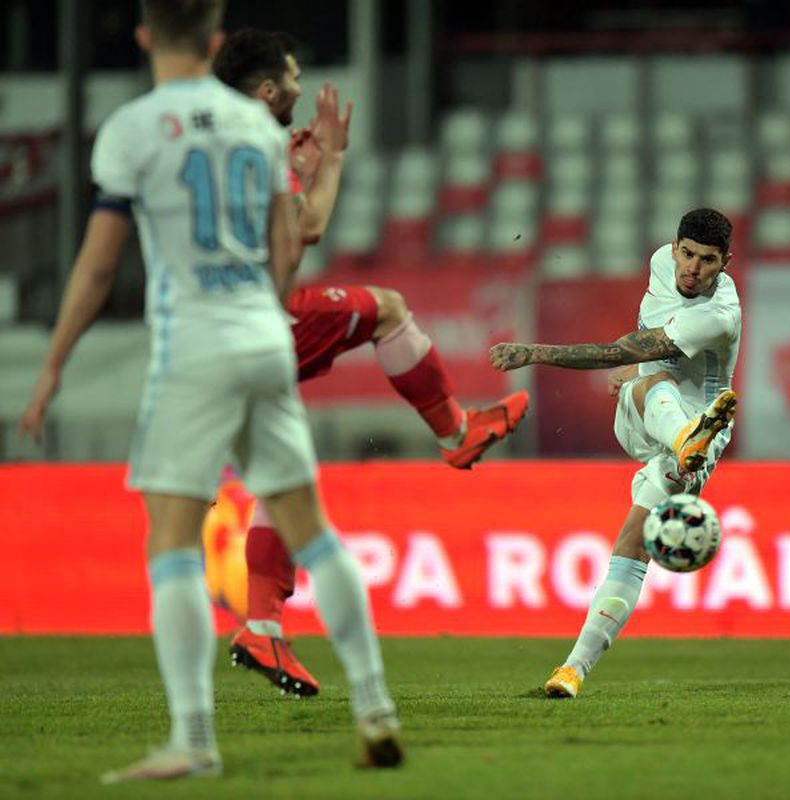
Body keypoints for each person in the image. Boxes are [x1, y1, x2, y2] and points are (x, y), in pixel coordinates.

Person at [19, 0, 402, 778]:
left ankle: (193, 740)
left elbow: (99, 264)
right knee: (313, 533)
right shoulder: (256, 129)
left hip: (192, 346)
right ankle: (375, 709)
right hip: (261, 335)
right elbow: (288, 249)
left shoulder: (132, 130)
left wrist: (55, 363)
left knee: (171, 545)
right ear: (216, 39)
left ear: (142, 36)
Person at [212, 28, 529, 697]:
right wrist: (329, 161)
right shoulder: (255, 144)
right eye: (292, 76)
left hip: (202, 333)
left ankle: (262, 629)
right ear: (266, 90)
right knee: (387, 308)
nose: (300, 86)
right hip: (255, 321)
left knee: (280, 477)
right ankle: (456, 431)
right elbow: (303, 234)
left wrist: (306, 171)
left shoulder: (209, 142)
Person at [490, 208, 740, 699]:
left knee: (633, 544)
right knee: (653, 380)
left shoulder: (719, 316)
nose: (693, 268)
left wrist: (537, 353)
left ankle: (571, 671)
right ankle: (684, 437)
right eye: (687, 254)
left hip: (701, 431)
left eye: (708, 260)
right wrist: (634, 372)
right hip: (653, 414)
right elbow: (645, 354)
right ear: (674, 248)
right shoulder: (661, 263)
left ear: (725, 263)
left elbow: (622, 351)